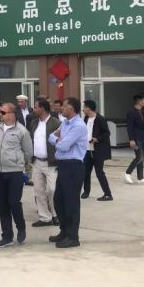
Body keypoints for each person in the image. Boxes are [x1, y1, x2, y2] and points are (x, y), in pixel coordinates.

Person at [48, 97, 88, 248]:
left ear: (71, 108)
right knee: (59, 200)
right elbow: (51, 137)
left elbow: (63, 146)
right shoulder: (65, 123)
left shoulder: (79, 126)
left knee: (71, 202)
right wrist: (58, 139)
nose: (61, 108)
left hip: (73, 166)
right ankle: (64, 231)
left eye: (64, 106)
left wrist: (59, 140)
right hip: (63, 166)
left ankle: (73, 237)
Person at [0, 103, 33, 248]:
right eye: (0, 111)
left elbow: (28, 152)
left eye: (3, 112)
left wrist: (23, 168)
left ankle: (21, 227)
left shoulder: (22, 131)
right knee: (1, 204)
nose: (0, 114)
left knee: (14, 202)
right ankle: (7, 236)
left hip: (15, 172)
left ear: (12, 114)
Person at [28, 98, 61, 227]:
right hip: (36, 162)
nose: (34, 109)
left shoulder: (56, 123)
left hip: (51, 163)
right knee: (39, 191)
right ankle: (45, 217)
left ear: (42, 108)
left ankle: (55, 214)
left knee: (52, 190)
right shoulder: (34, 123)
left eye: (36, 107)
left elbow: (61, 141)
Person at [82, 100, 113, 201]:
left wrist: (97, 138)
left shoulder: (100, 119)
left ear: (89, 108)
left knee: (99, 172)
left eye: (84, 107)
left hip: (98, 150)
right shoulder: (86, 118)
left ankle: (108, 194)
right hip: (87, 150)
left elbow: (107, 133)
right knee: (86, 172)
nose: (83, 109)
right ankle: (86, 191)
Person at [124, 94, 144, 185]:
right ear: (138, 101)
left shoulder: (143, 113)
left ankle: (140, 178)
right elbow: (129, 127)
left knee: (142, 158)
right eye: (143, 100)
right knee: (139, 157)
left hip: (142, 138)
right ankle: (127, 173)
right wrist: (131, 139)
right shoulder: (131, 113)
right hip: (136, 139)